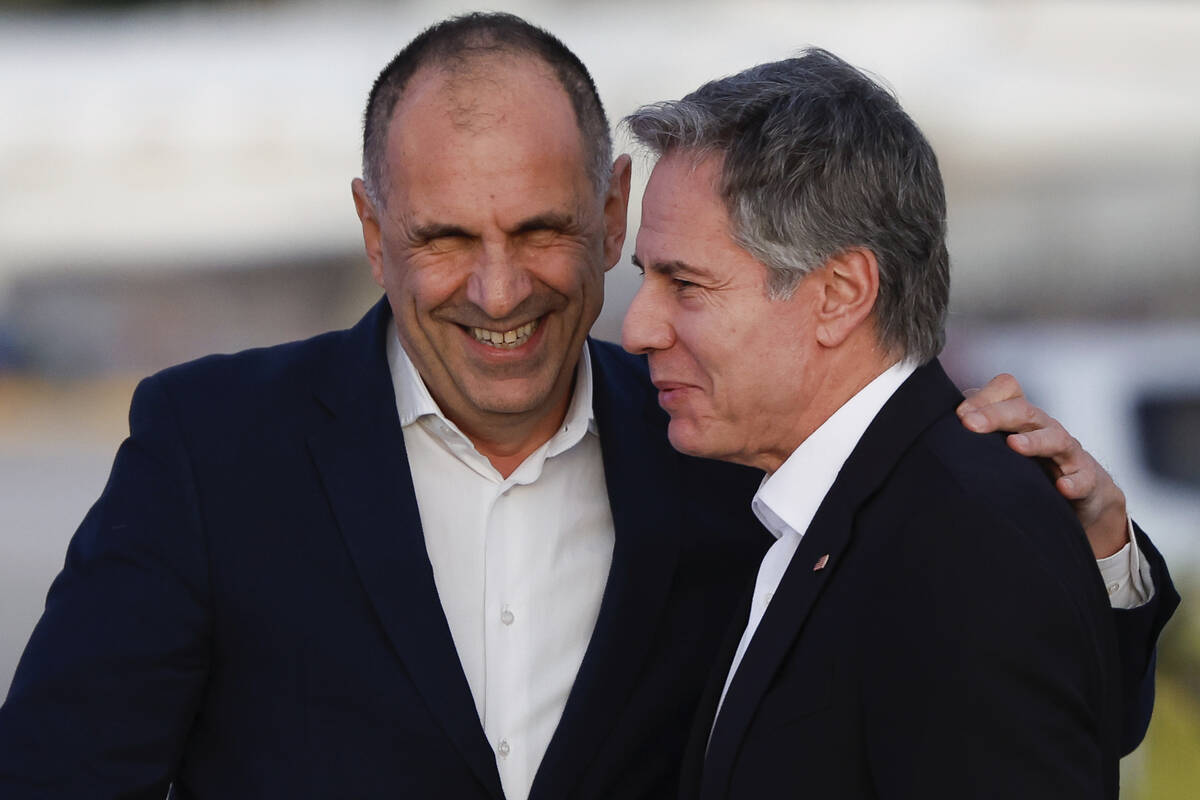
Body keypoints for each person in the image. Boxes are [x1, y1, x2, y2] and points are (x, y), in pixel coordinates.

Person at [0, 14, 1173, 800]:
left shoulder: (723, 453)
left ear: (613, 211)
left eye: (543, 231)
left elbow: (1017, 698)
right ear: (371, 231)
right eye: (445, 237)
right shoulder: (212, 451)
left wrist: (1097, 554)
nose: (499, 288)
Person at [621, 48, 1179, 799]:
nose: (638, 328)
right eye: (643, 277)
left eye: (685, 284)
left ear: (840, 293)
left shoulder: (962, 541)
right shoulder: (834, 506)